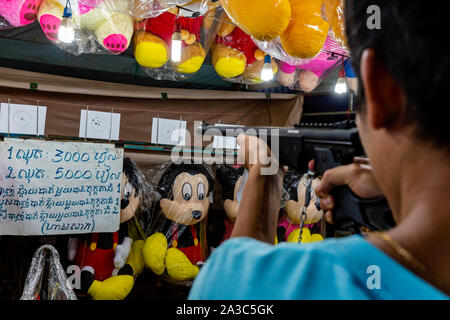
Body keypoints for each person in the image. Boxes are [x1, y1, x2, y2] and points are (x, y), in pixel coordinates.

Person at [188, 0, 450, 299]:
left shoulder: (316, 280)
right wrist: (397, 196)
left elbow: (234, 287)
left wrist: (263, 175)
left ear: (380, 88)